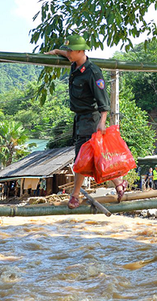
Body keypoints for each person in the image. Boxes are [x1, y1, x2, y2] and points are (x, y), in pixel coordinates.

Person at [44, 35, 127, 208]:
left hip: (92, 118)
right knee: (96, 156)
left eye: (71, 51)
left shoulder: (93, 72)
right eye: (67, 51)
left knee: (81, 157)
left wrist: (102, 122)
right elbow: (66, 54)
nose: (68, 53)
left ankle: (75, 195)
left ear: (81, 51)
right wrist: (56, 52)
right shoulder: (75, 63)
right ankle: (120, 183)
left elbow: (103, 100)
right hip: (81, 118)